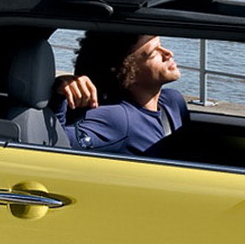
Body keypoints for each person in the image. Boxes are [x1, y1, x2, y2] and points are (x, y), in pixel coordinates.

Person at [55, 31, 187, 154]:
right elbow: (57, 143)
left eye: (161, 45)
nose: (168, 53)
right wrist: (59, 95)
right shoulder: (118, 119)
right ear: (128, 71)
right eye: (153, 53)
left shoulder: (173, 101)